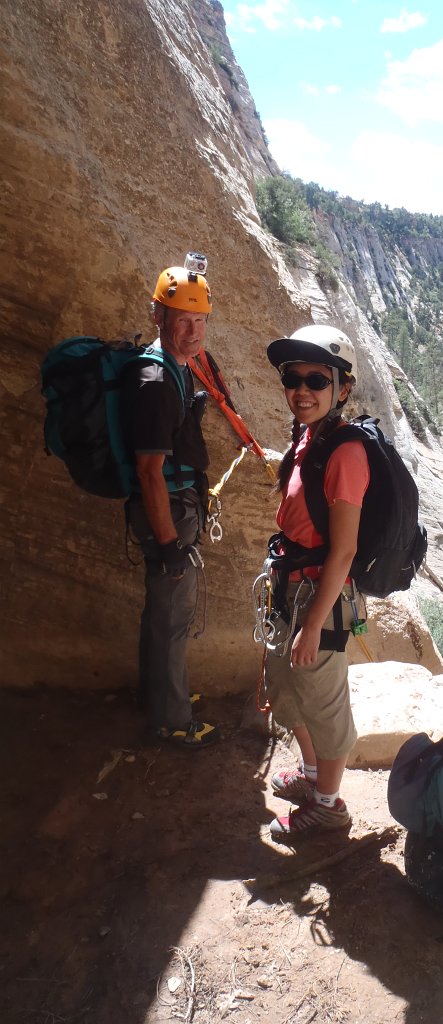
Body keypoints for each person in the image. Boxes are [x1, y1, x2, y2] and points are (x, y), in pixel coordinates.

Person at [262, 324, 369, 842]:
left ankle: (329, 806)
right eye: (292, 378)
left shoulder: (346, 453)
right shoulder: (308, 436)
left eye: (315, 380)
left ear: (341, 388)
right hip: (291, 584)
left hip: (318, 596)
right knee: (286, 691)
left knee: (325, 704)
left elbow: (344, 549)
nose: (301, 390)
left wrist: (312, 624)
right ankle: (310, 779)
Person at [122, 261, 219, 749]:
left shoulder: (170, 368)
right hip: (168, 515)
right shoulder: (155, 380)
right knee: (171, 617)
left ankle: (163, 697)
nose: (193, 332)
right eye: (182, 320)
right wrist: (167, 545)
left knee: (162, 614)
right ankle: (173, 719)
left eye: (199, 321)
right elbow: (148, 472)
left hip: (175, 507)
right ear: (158, 315)